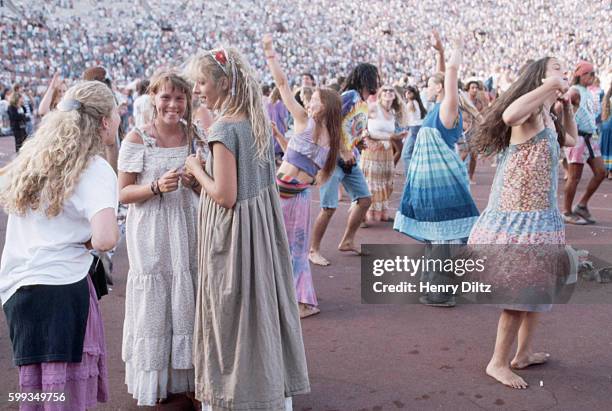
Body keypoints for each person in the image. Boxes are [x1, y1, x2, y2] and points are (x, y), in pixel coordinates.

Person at [184, 46, 310, 410]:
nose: (198, 90)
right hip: (261, 232)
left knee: (231, 315)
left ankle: (235, 396)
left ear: (223, 84)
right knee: (260, 309)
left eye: (202, 82)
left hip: (235, 233)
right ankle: (268, 389)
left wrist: (195, 169)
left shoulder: (224, 128)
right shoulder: (253, 120)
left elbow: (224, 195)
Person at [0, 80, 120, 410]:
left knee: (37, 394)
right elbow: (106, 237)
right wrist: (84, 241)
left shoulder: (33, 159)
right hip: (64, 291)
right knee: (67, 398)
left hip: (19, 290)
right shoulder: (94, 169)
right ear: (105, 122)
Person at [469, 57, 577, 389]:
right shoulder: (527, 112)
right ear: (539, 76)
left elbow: (570, 141)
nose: (563, 71)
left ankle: (523, 353)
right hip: (518, 218)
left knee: (537, 291)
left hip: (540, 217)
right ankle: (497, 362)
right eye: (556, 67)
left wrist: (566, 107)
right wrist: (549, 87)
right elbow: (509, 115)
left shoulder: (546, 113)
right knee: (518, 296)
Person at [118, 71, 200, 407]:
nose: (172, 104)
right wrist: (154, 186)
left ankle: (191, 378)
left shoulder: (195, 135)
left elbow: (205, 183)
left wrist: (195, 181)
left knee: (187, 297)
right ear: (153, 97)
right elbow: (123, 193)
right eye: (166, 97)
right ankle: (160, 380)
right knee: (156, 299)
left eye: (179, 98)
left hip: (187, 224)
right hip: (151, 230)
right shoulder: (137, 139)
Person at [394, 34, 480, 307]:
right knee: (435, 234)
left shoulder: (447, 108)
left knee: (441, 235)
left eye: (430, 84)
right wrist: (441, 52)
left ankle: (441, 292)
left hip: (441, 181)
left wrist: (456, 47)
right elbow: (445, 74)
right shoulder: (436, 109)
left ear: (441, 88)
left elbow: (450, 75)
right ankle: (435, 286)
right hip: (429, 181)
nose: (425, 87)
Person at [263, 34, 342, 318]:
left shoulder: (318, 132)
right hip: (288, 193)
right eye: (309, 101)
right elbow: (283, 85)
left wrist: (271, 55)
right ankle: (286, 300)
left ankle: (301, 303)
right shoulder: (321, 134)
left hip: (290, 196)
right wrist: (271, 56)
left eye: (315, 101)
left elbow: (320, 178)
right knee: (280, 246)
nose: (309, 104)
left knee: (287, 248)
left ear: (327, 107)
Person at [309, 63, 379, 266]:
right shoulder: (350, 96)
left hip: (350, 159)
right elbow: (331, 122)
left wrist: (358, 142)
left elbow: (350, 127)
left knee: (364, 199)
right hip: (335, 159)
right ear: (367, 78)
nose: (378, 81)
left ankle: (347, 241)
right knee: (328, 207)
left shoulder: (362, 102)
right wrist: (343, 149)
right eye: (375, 77)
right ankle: (313, 250)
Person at [563, 61, 606, 224]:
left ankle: (581, 205)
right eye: (591, 74)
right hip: (578, 138)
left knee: (601, 172)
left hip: (590, 137)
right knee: (574, 177)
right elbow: (561, 106)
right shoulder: (574, 91)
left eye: (594, 73)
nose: (594, 77)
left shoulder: (588, 91)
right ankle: (567, 211)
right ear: (581, 75)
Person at [362, 85, 407, 222]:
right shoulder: (373, 107)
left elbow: (389, 134)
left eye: (391, 90)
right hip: (372, 152)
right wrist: (366, 137)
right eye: (385, 90)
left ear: (395, 95)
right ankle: (363, 216)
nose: (388, 92)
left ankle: (381, 213)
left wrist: (398, 136)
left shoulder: (392, 113)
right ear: (380, 94)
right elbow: (360, 126)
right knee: (371, 184)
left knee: (386, 182)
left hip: (386, 152)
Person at [401, 85, 427, 174]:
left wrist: (405, 129)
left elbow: (408, 119)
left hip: (414, 128)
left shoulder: (411, 103)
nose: (407, 95)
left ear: (414, 94)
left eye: (409, 93)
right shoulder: (417, 102)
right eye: (406, 93)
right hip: (418, 127)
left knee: (406, 154)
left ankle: (410, 175)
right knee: (413, 153)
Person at [601, 84, 612, 179]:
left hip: (606, 127)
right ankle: (610, 171)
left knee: (606, 149)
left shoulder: (607, 97)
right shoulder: (607, 98)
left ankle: (607, 170)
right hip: (609, 126)